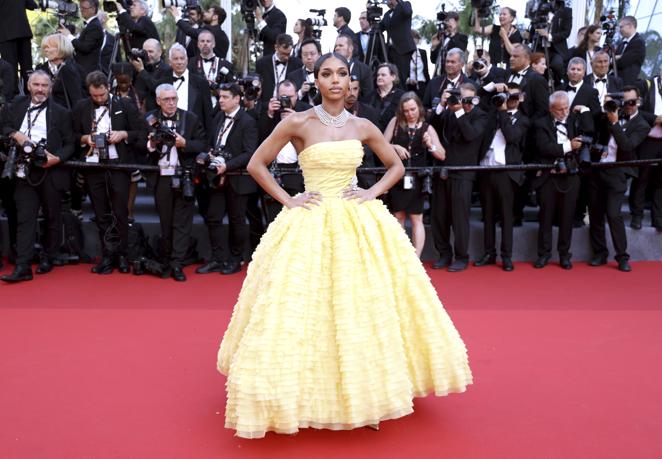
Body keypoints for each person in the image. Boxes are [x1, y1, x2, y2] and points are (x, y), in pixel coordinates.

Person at [217, 52, 472, 439]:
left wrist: (370, 192)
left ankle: (369, 394)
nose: (334, 80)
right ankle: (303, 391)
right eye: (326, 74)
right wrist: (289, 200)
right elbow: (256, 164)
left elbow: (397, 166)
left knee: (362, 306)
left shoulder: (364, 125)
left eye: (341, 74)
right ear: (315, 80)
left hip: (355, 220)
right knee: (305, 306)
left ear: (350, 80)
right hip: (311, 218)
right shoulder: (298, 121)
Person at [0, 71, 74, 283]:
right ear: (28, 86)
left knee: (52, 216)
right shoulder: (16, 105)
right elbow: (4, 127)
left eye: (44, 85)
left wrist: (57, 158)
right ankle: (23, 266)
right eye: (36, 85)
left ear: (50, 88)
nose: (40, 89)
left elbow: (70, 143)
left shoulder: (61, 112)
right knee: (25, 219)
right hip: (23, 171)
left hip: (50, 171)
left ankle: (49, 257)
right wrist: (16, 135)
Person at [72, 71, 146, 275]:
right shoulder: (81, 107)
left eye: (102, 95)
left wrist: (123, 134)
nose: (98, 99)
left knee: (120, 212)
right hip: (93, 166)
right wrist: (86, 139)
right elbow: (72, 135)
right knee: (100, 213)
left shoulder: (125, 105)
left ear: (108, 88)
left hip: (119, 165)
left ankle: (122, 255)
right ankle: (107, 255)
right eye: (94, 96)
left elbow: (141, 133)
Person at [146, 83, 206, 281]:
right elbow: (138, 144)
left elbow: (203, 144)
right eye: (166, 100)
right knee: (166, 220)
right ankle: (166, 258)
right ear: (158, 101)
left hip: (184, 176)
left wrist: (185, 144)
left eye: (174, 99)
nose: (171, 103)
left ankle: (177, 263)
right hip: (161, 176)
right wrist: (152, 144)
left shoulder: (190, 118)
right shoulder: (150, 119)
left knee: (182, 222)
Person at [198, 83, 258, 275]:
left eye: (225, 97)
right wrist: (210, 154)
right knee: (213, 217)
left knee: (236, 220)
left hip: (238, 179)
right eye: (219, 97)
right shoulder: (218, 118)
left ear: (237, 98)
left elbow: (250, 153)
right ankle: (217, 258)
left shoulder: (248, 121)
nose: (220, 100)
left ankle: (236, 258)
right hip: (217, 177)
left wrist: (228, 165)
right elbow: (213, 142)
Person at [588, 86, 649, 272]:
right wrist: (606, 106)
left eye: (632, 102)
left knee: (614, 214)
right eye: (625, 102)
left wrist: (614, 124)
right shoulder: (611, 113)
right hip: (598, 168)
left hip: (618, 172)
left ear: (638, 101)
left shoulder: (642, 124)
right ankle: (600, 254)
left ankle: (622, 256)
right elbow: (595, 128)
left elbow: (627, 145)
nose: (628, 106)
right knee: (595, 214)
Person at [532, 91, 594, 270]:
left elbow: (590, 132)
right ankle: (543, 254)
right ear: (551, 109)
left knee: (567, 217)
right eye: (560, 110)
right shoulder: (541, 124)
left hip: (571, 175)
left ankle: (564, 255)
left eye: (566, 108)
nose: (564, 112)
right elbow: (543, 147)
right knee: (546, 217)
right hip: (548, 176)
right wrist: (568, 146)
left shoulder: (574, 120)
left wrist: (585, 110)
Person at [429, 83, 487, 272]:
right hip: (443, 170)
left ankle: (461, 256)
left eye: (470, 100)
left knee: (459, 218)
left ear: (476, 99)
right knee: (439, 216)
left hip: (463, 173)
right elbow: (432, 127)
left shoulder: (481, 116)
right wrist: (442, 106)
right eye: (463, 100)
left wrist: (460, 111)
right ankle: (444, 254)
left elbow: (470, 135)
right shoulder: (449, 112)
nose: (466, 104)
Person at [475, 83, 530, 272]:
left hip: (506, 172)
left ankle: (506, 256)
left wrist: (504, 113)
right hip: (486, 169)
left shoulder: (523, 120)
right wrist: (494, 97)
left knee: (506, 216)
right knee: (487, 215)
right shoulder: (493, 113)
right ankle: (489, 253)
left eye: (513, 97)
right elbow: (479, 103)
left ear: (520, 99)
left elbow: (512, 136)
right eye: (507, 97)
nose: (509, 100)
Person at [384, 92, 444, 258]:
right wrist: (394, 146)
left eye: (413, 109)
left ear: (419, 108)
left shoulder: (427, 128)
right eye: (406, 111)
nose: (410, 114)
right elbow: (381, 145)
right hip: (397, 176)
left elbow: (442, 155)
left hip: (418, 178)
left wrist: (430, 145)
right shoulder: (395, 123)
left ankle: (415, 258)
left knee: (416, 217)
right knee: (398, 216)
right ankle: (401, 255)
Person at [257, 80, 310, 223]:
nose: (286, 100)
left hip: (298, 173)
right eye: (283, 97)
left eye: (290, 97)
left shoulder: (306, 112)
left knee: (298, 220)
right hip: (274, 172)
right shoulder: (269, 113)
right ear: (276, 97)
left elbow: (312, 142)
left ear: (297, 96)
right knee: (274, 221)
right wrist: (269, 114)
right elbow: (259, 139)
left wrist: (296, 120)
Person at [35, 33, 83, 110]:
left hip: (65, 116)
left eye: (49, 47)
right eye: (45, 47)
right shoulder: (40, 69)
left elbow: (76, 99)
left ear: (61, 48)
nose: (46, 50)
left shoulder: (70, 68)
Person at [0, 0, 37, 94]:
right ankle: (31, 95)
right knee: (27, 68)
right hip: (23, 32)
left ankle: (13, 100)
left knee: (10, 70)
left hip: (6, 35)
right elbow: (33, 5)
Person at [59, 0, 103, 76]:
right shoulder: (90, 25)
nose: (81, 10)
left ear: (93, 9)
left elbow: (85, 47)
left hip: (87, 72)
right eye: (80, 7)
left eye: (84, 8)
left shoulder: (94, 26)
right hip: (81, 69)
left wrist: (69, 36)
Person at [255, 34, 302, 104]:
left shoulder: (297, 63)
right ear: (276, 47)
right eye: (283, 53)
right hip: (266, 105)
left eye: (288, 54)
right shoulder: (262, 63)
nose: (286, 57)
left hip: (289, 105)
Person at [381, 0, 416, 87]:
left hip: (403, 49)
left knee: (401, 77)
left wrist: (398, 1)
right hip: (390, 51)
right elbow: (380, 27)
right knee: (391, 75)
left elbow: (407, 12)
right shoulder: (386, 15)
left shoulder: (405, 5)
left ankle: (402, 97)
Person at [334, 34, 374, 104]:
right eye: (336, 46)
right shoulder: (330, 67)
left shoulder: (364, 70)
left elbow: (368, 97)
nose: (337, 48)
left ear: (350, 49)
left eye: (340, 45)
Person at [430, 11, 468, 75]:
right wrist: (433, 47)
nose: (447, 23)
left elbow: (460, 51)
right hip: (438, 74)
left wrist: (452, 33)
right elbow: (433, 60)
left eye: (450, 20)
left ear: (456, 22)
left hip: (454, 74)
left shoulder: (462, 37)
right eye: (446, 21)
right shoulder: (441, 38)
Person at [286, 38, 320, 106]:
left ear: (319, 54)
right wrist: (301, 92)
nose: (309, 57)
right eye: (305, 54)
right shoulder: (292, 76)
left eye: (312, 53)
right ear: (301, 56)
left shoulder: (328, 74)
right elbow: (288, 101)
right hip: (301, 114)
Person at [372, 63, 404, 131]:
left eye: (383, 75)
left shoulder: (402, 96)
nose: (379, 77)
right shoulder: (370, 96)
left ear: (393, 77)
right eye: (378, 75)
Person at [615, 16, 645, 85]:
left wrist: (618, 58)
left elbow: (623, 61)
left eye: (621, 27)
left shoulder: (639, 42)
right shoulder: (621, 43)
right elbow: (614, 59)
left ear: (630, 25)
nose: (619, 30)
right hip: (616, 82)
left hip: (628, 84)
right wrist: (618, 57)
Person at [408, 30, 430, 99]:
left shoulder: (422, 52)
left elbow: (426, 71)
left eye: (416, 38)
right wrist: (409, 80)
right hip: (409, 85)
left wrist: (429, 86)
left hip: (422, 85)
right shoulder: (404, 55)